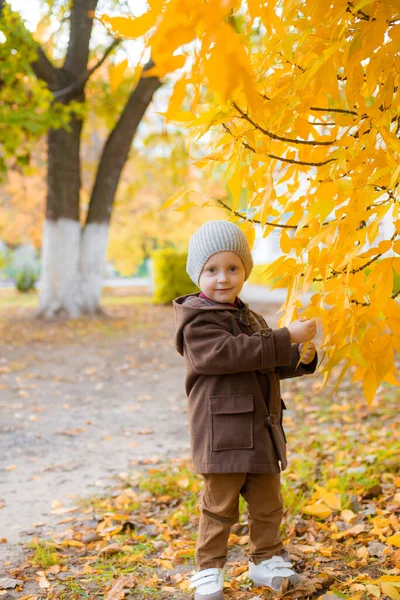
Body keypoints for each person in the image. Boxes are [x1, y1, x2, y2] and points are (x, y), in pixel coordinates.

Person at [173, 220, 318, 600]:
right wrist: (285, 336)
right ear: (197, 274)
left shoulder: (250, 317)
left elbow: (264, 359)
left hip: (261, 427)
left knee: (269, 502)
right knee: (219, 506)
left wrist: (298, 357)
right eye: (212, 269)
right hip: (222, 433)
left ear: (245, 271)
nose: (223, 278)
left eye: (233, 268)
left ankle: (265, 558)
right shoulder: (197, 322)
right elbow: (226, 355)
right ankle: (208, 568)